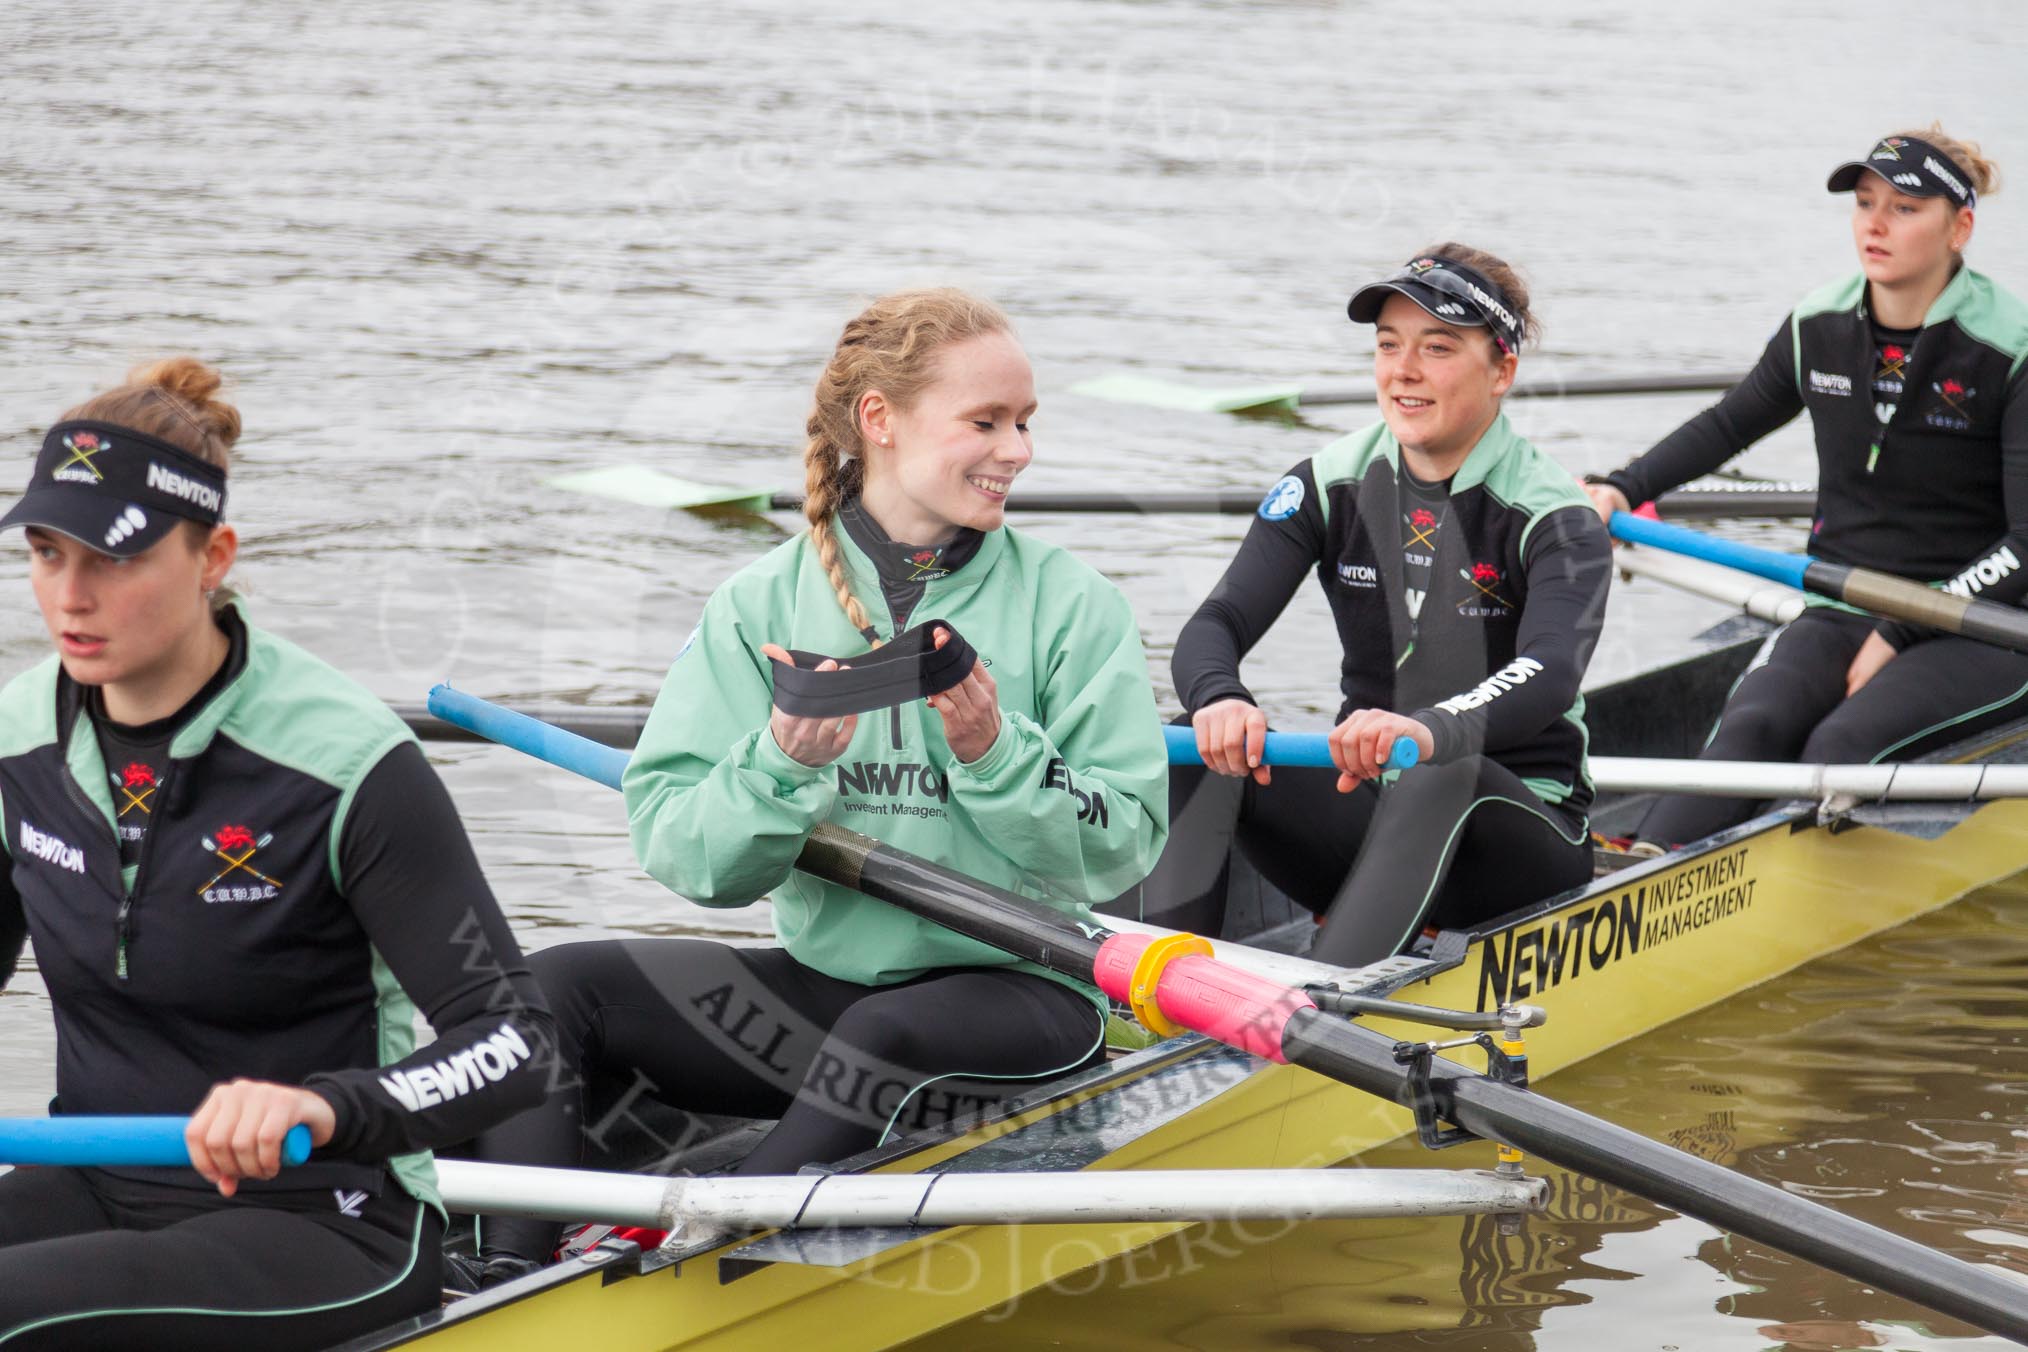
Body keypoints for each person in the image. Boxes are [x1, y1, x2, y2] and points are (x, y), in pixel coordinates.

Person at [469, 288, 1168, 1276]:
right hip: (827, 990)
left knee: (884, 1029)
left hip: (1027, 997)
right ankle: (507, 1268)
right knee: (549, 986)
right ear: (880, 419)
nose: (1018, 450)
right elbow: (685, 856)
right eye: (986, 422)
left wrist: (993, 752)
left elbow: (1123, 845)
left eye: (1024, 422)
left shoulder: (1073, 607)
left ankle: (707, 1253)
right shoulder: (757, 602)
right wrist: (781, 764)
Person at [0, 359, 555, 1348]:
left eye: (113, 558)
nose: (69, 596)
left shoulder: (346, 763)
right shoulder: (18, 741)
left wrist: (326, 1105)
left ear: (212, 556)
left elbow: (516, 1041)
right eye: (46, 553)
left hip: (326, 1214)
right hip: (96, 1177)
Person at [1109, 246, 1612, 966]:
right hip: (1373, 813)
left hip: (1518, 843)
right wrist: (1222, 697)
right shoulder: (1327, 483)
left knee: (1443, 771)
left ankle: (1323, 1006)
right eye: (1388, 345)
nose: (1403, 370)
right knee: (1200, 741)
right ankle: (1158, 995)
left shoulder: (1556, 516)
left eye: (1437, 348)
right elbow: (1217, 624)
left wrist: (1429, 729)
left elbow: (1552, 670)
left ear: (1502, 371)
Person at [1585, 125, 2028, 849]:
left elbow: (2026, 545)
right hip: (1842, 602)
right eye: (1865, 203)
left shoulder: (2010, 348)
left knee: (1838, 746)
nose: (1875, 224)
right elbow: (1728, 425)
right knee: (1753, 727)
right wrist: (1619, 487)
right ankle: (1639, 869)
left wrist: (1903, 628)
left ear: (1960, 229)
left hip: (1983, 623)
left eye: (1905, 208)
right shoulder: (1818, 325)